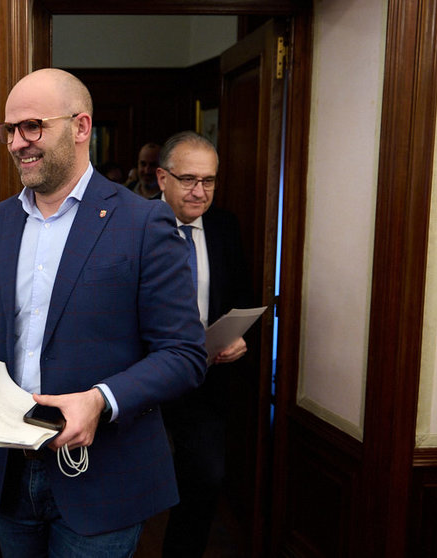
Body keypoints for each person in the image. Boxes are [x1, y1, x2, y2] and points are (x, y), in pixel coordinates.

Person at [0, 69, 207, 558]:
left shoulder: (143, 221)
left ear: (81, 127)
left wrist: (100, 400)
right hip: (12, 477)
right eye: (9, 130)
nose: (17, 143)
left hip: (104, 479)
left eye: (32, 126)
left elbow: (183, 354)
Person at [155, 131, 255, 558]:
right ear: (162, 179)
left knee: (205, 479)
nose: (200, 192)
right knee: (138, 485)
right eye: (189, 179)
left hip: (205, 377)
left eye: (209, 181)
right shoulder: (128, 226)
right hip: (143, 380)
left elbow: (241, 296)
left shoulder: (224, 226)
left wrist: (239, 339)